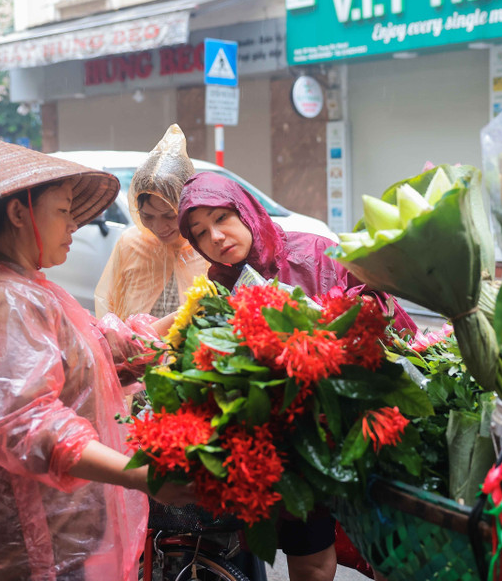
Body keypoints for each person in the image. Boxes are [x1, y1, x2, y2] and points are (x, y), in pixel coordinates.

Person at [0, 140, 193, 581]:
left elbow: (96, 356)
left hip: (43, 541)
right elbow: (26, 423)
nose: (74, 225)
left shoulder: (27, 288)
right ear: (20, 214)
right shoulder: (3, 299)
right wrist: (143, 476)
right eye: (62, 211)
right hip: (12, 547)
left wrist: (189, 317)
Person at [177, 171, 416, 581]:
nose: (215, 237)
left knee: (387, 550)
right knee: (310, 561)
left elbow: (386, 319)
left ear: (247, 211)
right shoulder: (217, 290)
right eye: (199, 232)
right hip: (297, 444)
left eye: (222, 218)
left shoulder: (317, 252)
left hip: (361, 424)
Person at [94, 124, 208, 320]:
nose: (159, 227)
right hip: (140, 350)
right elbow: (108, 305)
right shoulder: (129, 244)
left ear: (187, 205)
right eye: (147, 217)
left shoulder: (208, 245)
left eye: (169, 216)